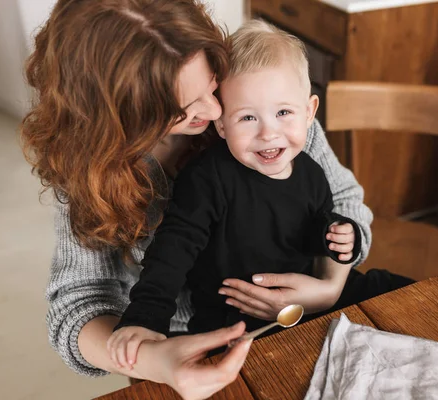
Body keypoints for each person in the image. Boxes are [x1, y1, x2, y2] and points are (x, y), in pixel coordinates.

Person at [19, 0, 399, 398]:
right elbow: (76, 304)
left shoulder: (265, 104)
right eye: (182, 109)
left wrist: (329, 288)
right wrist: (151, 355)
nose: (216, 108)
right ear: (118, 117)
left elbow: (343, 200)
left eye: (211, 82)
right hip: (184, 343)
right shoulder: (87, 170)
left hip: (307, 313)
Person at [107, 20, 367, 368]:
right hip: (229, 324)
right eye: (247, 118)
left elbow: (316, 221)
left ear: (309, 112)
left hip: (307, 308)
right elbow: (174, 247)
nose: (268, 133)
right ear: (222, 125)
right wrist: (145, 317)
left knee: (392, 297)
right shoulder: (207, 177)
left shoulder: (310, 169)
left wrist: (339, 236)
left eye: (283, 113)